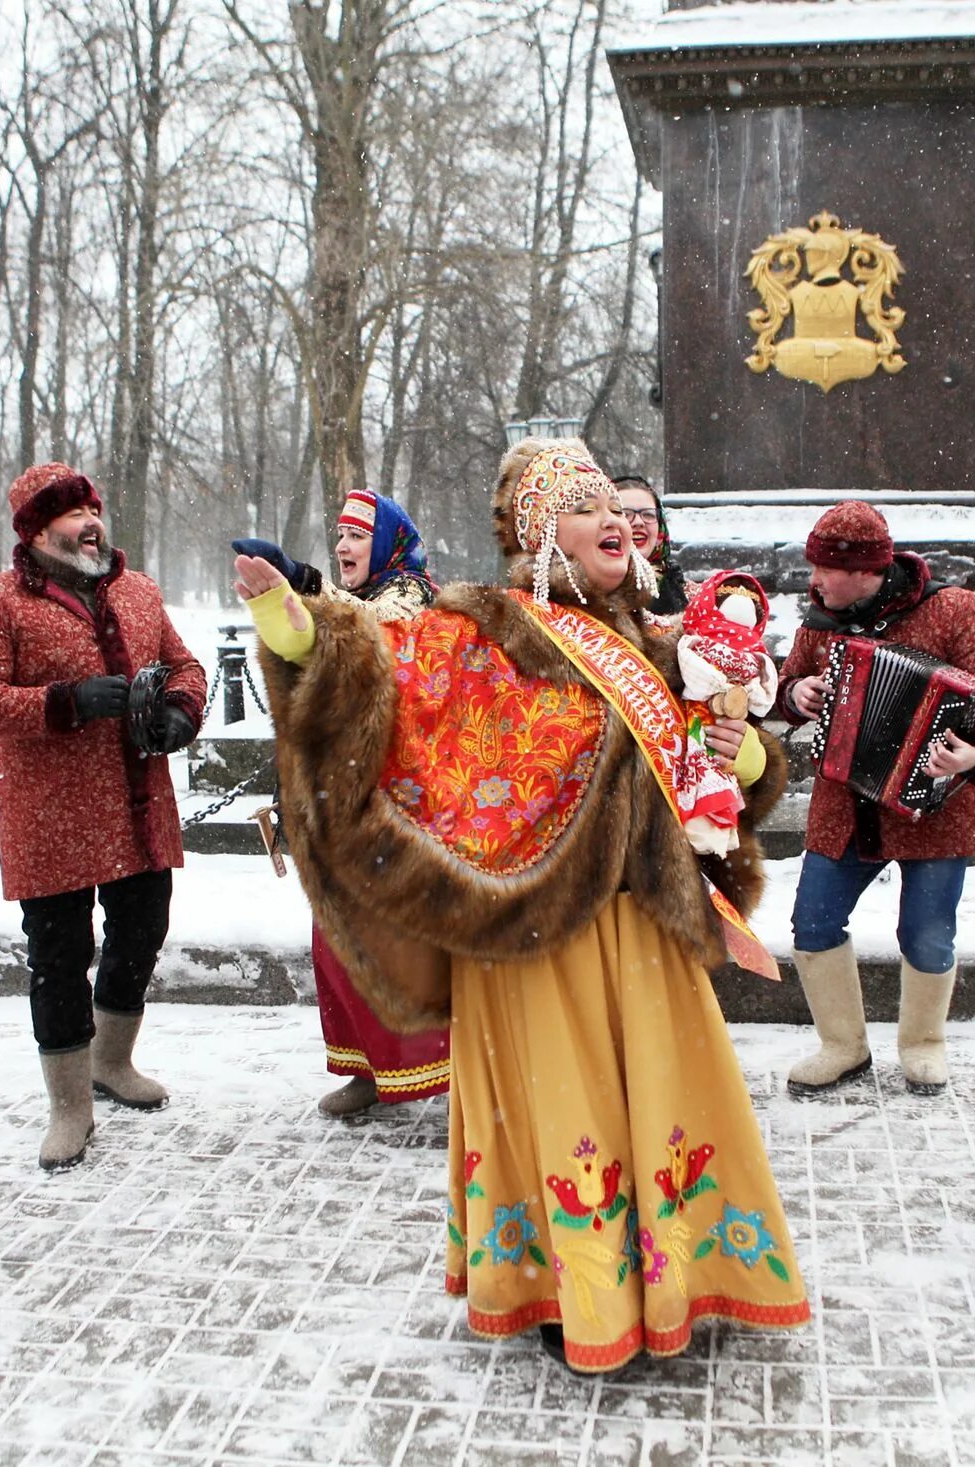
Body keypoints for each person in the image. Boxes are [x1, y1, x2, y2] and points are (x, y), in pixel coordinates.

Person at [237, 437, 808, 1374]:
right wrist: (291, 620)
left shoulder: (663, 645)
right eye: (586, 507)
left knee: (658, 1104)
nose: (615, 519)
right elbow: (377, 671)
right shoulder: (483, 630)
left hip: (638, 934)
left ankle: (666, 1276)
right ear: (543, 531)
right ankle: (569, 1287)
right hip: (531, 932)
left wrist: (742, 746)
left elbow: (727, 773)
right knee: (563, 1113)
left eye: (617, 507)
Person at [0, 462, 206, 1171]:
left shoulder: (139, 590)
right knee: (59, 958)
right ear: (35, 530)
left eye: (95, 507)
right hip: (52, 814)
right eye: (73, 514)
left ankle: (111, 1061)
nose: (91, 521)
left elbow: (186, 666)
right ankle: (69, 1106)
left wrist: (182, 711)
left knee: (142, 930)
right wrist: (66, 700)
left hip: (138, 805)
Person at [772, 501, 975, 1097]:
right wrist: (794, 691)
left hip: (938, 803)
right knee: (813, 921)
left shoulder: (951, 609)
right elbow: (786, 685)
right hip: (847, 805)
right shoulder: (820, 620)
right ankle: (843, 1046)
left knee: (926, 934)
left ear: (865, 570)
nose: (815, 580)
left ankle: (923, 1045)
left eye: (825, 568)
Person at [236, 488, 450, 1117]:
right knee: (335, 938)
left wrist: (305, 586)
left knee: (391, 941)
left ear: (386, 543)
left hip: (392, 801)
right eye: (339, 535)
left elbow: (367, 640)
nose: (344, 545)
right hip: (337, 794)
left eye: (358, 535)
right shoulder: (349, 600)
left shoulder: (410, 594)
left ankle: (438, 1069)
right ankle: (366, 1068)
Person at [614, 474, 688, 617]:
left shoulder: (682, 590)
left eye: (648, 515)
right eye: (625, 514)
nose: (639, 522)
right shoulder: (582, 592)